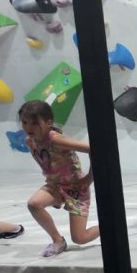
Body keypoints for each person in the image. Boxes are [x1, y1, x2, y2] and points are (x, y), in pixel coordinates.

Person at [18, 100, 99, 258]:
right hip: (55, 187)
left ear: (48, 123)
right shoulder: (30, 141)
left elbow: (93, 149)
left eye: (34, 123)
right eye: (25, 122)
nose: (28, 127)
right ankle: (58, 241)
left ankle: (109, 226)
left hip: (76, 190)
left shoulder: (56, 140)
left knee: (79, 238)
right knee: (34, 204)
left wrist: (89, 178)